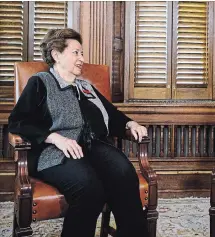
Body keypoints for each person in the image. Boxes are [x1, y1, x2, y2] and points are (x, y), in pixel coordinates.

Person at [8, 28, 149, 237]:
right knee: (90, 189)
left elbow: (112, 115)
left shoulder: (86, 87)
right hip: (52, 153)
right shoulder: (40, 82)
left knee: (124, 173)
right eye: (76, 53)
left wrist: (131, 124)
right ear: (56, 55)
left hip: (92, 147)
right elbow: (18, 122)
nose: (82, 58)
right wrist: (55, 138)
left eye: (82, 53)